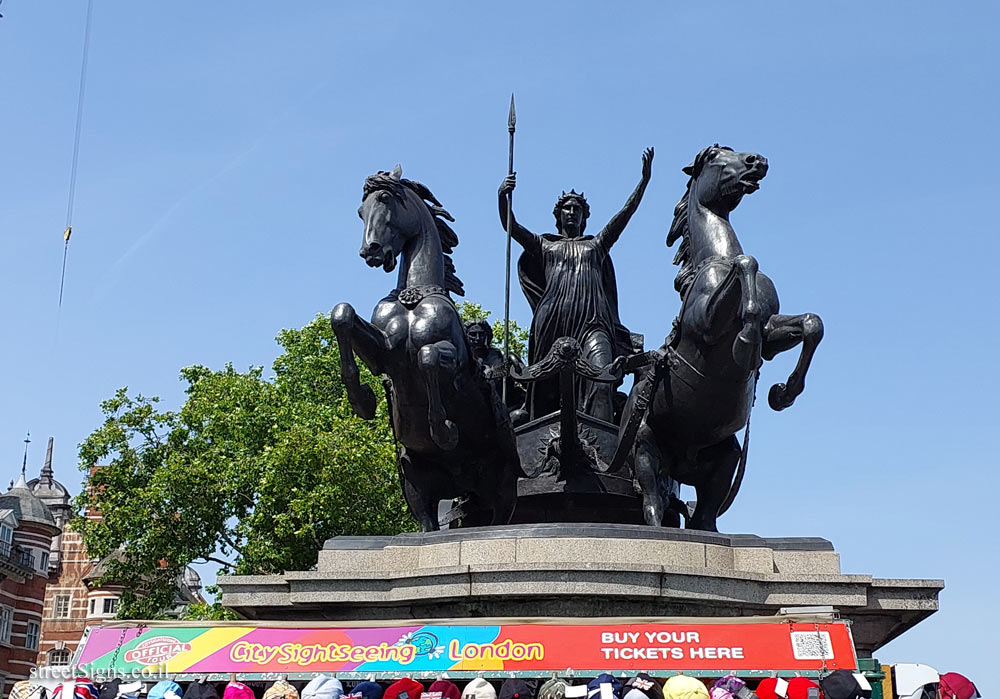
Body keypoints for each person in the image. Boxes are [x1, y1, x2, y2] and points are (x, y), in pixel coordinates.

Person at [498, 147, 653, 422]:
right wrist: (502, 197)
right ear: (558, 216)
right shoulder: (544, 245)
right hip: (551, 324)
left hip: (592, 324)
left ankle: (600, 444)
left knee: (603, 377)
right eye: (567, 208)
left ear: (584, 216)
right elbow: (511, 226)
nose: (572, 212)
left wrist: (643, 182)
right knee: (544, 393)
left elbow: (624, 215)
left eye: (577, 209)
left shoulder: (597, 245)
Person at [464, 319, 525, 413]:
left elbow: (528, 382)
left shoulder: (503, 357)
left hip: (507, 411)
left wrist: (511, 368)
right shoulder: (462, 362)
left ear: (488, 336)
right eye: (473, 334)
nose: (477, 338)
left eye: (481, 334)